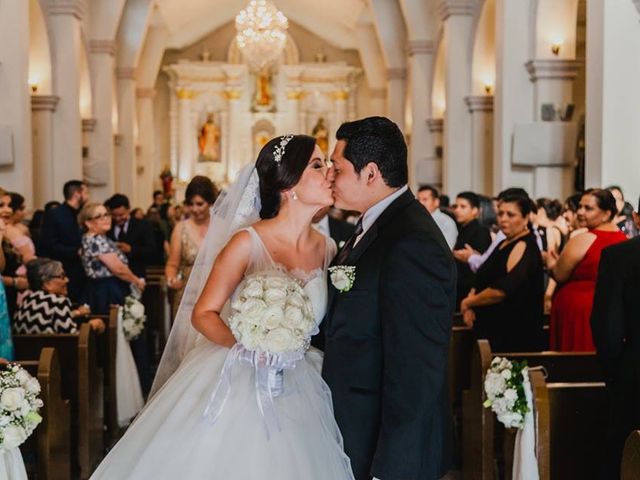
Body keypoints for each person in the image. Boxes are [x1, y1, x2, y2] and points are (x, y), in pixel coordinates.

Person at [90, 135, 354, 479]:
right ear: (289, 185)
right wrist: (252, 348)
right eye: (318, 165)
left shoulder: (329, 247)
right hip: (242, 375)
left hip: (301, 380)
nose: (330, 172)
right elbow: (203, 313)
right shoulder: (247, 242)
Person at [322, 117, 456, 480]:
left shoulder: (412, 242)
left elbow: (416, 369)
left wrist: (393, 467)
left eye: (337, 167)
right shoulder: (372, 226)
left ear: (370, 173)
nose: (330, 176)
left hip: (385, 450)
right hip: (356, 429)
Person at [590, 199, 640, 479]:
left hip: (633, 373)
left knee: (626, 454)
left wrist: (617, 372)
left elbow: (606, 326)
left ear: (636, 219)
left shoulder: (619, 257)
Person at [461, 193, 544, 352]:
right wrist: (472, 298)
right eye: (500, 214)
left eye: (510, 215)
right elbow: (483, 275)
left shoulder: (524, 244)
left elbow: (503, 289)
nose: (503, 219)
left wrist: (469, 302)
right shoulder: (504, 242)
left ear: (526, 218)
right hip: (493, 328)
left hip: (512, 331)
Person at [79, 202, 148, 390]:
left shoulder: (99, 238)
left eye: (106, 214)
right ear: (88, 223)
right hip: (108, 291)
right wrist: (136, 281)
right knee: (117, 339)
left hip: (105, 288)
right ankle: (123, 387)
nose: (106, 218)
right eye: (99, 216)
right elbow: (117, 268)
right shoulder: (96, 240)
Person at [548, 189, 627, 351]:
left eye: (588, 208)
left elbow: (559, 274)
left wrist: (550, 262)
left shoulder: (583, 239)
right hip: (611, 310)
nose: (580, 212)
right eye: (580, 207)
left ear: (607, 213)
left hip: (580, 313)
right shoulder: (623, 240)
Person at [165, 176, 217, 316]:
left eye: (200, 204)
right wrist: (171, 279)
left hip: (215, 294)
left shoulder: (220, 227)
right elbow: (172, 264)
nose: (194, 209)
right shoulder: (180, 229)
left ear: (210, 203)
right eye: (190, 204)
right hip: (187, 296)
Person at [14, 258, 104, 334]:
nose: (67, 280)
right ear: (47, 283)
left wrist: (77, 313)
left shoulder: (25, 302)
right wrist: (91, 326)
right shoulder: (58, 301)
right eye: (62, 276)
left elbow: (48, 320)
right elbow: (71, 340)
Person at [38, 180, 90, 303]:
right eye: (86, 192)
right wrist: (76, 252)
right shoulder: (55, 214)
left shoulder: (82, 214)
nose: (88, 196)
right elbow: (49, 245)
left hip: (82, 274)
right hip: (64, 271)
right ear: (78, 194)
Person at [452, 191, 492, 306]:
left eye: (463, 207)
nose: (457, 210)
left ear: (475, 210)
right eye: (456, 206)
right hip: (460, 285)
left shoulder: (480, 231)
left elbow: (483, 263)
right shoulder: (463, 228)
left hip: (469, 288)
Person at [105, 193, 156, 279]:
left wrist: (131, 249)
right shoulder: (108, 226)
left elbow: (152, 250)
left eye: (121, 215)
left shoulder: (143, 225)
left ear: (128, 210)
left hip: (136, 274)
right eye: (114, 215)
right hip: (113, 277)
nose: (117, 218)